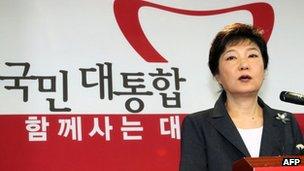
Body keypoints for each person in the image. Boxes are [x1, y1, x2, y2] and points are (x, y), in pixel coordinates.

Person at [179, 23, 304, 171]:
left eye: (252, 55)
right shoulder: (198, 125)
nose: (244, 65)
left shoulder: (287, 123)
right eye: (231, 57)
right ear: (217, 75)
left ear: (264, 70)